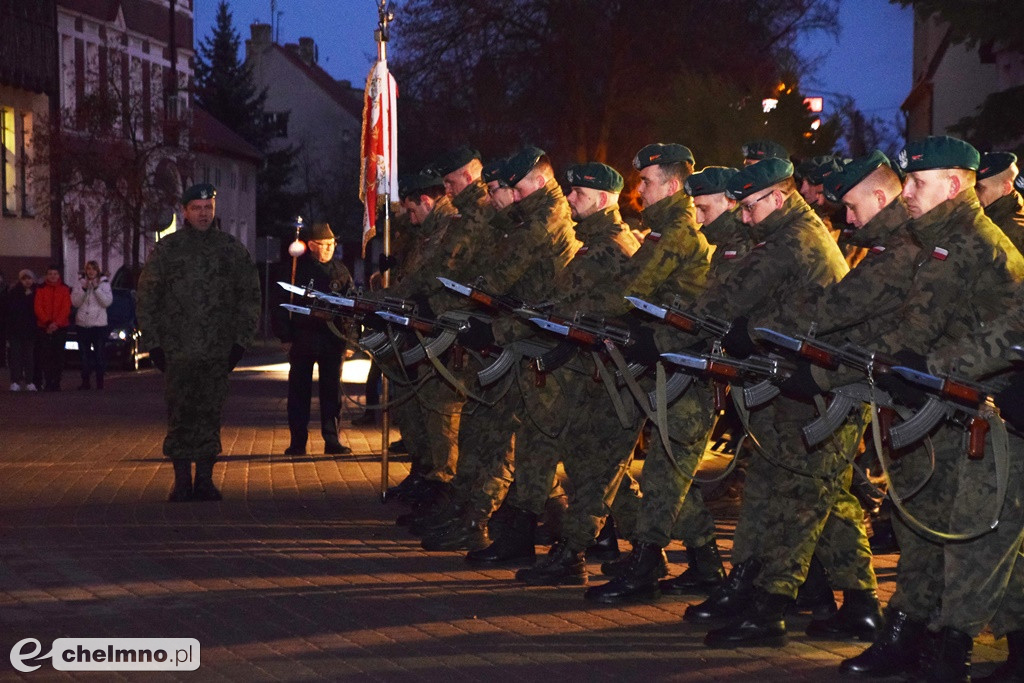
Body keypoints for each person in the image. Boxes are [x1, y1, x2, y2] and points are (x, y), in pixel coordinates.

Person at [137, 183, 261, 503]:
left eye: (208, 207)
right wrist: (154, 344)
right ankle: (181, 481)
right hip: (177, 352)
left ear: (214, 209)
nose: (203, 213)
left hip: (217, 351)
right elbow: (148, 297)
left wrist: (240, 343)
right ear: (185, 212)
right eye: (197, 208)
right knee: (179, 414)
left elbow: (249, 298)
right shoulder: (168, 250)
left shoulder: (231, 251)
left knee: (209, 414)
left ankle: (205, 479)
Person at [273, 222, 354, 456]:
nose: (330, 249)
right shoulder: (295, 270)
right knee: (299, 393)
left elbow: (351, 307)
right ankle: (298, 441)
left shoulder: (341, 271)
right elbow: (280, 304)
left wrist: (350, 341)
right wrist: (285, 336)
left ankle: (332, 440)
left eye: (332, 244)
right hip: (302, 338)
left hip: (332, 340)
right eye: (324, 244)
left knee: (332, 394)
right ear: (311, 245)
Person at [70, 260, 113, 390]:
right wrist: (83, 289)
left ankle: (100, 382)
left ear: (97, 271)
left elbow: (106, 302)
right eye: (88, 269)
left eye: (93, 269)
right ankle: (85, 381)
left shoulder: (104, 284)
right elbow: (75, 302)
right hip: (82, 324)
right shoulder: (79, 284)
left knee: (99, 354)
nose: (91, 271)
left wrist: (96, 289)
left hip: (99, 325)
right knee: (84, 355)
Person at [975, 151, 1024, 251]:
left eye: (979, 188)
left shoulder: (1012, 233)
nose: (974, 194)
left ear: (1006, 188)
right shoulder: (995, 218)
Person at [33, 265, 71, 392]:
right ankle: (48, 381)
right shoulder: (41, 289)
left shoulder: (64, 289)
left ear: (59, 275)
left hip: (60, 327)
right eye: (50, 274)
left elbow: (66, 308)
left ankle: (56, 381)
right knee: (46, 356)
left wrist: (56, 323)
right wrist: (48, 322)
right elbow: (38, 307)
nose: (52, 276)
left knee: (58, 355)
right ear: (46, 275)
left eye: (55, 274)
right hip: (44, 327)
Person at [7, 269, 37, 391]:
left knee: (29, 357)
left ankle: (29, 381)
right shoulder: (13, 293)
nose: (27, 281)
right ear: (20, 280)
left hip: (30, 331)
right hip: (16, 330)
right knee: (16, 357)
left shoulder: (36, 292)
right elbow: (10, 313)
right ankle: (15, 381)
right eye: (24, 279)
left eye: (29, 278)